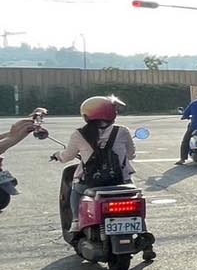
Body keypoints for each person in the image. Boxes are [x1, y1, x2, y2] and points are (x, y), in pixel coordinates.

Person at [51, 96, 137, 232]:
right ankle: (139, 223)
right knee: (134, 196)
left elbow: (67, 156)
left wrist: (58, 155)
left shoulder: (79, 134)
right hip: (120, 180)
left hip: (91, 182)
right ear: (113, 113)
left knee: (75, 188)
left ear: (86, 116)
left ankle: (75, 220)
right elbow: (131, 155)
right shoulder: (122, 131)